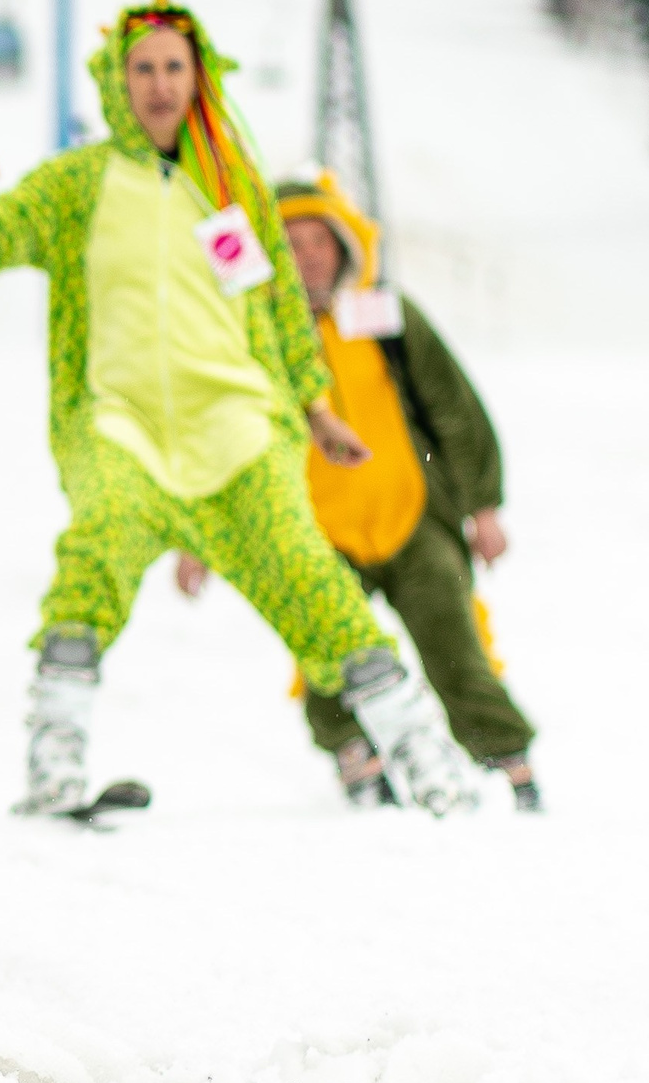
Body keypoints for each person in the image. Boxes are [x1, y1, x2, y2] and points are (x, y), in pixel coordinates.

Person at [0, 0, 475, 817]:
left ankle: (422, 754)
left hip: (237, 428)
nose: (158, 85)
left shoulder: (230, 190)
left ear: (200, 80)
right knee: (96, 551)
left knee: (309, 578)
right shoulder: (78, 186)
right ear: (118, 79)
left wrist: (319, 408)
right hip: (122, 425)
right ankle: (56, 754)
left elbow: (279, 316)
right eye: (143, 68)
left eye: (173, 69)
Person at [176, 174, 539, 810]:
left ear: (346, 245)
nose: (308, 253)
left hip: (411, 514)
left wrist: (483, 506)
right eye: (289, 241)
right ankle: (354, 754)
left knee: (456, 645)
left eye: (320, 239)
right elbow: (216, 434)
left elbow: (453, 408)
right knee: (327, 653)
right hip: (313, 529)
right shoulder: (251, 336)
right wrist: (196, 535)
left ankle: (507, 760)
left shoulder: (384, 315)